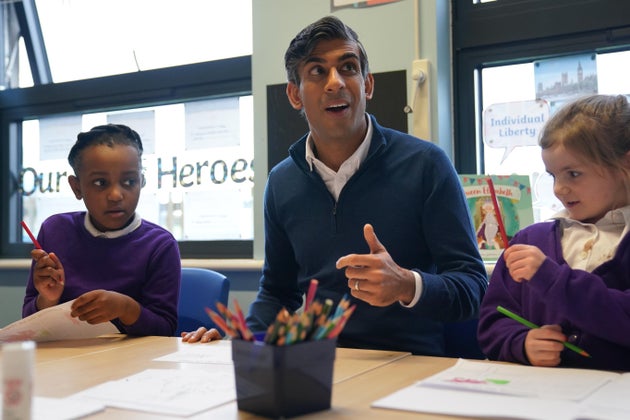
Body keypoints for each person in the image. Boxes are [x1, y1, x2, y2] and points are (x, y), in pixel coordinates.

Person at [183, 15, 487, 355]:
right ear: (294, 95)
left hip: (410, 365)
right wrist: (239, 342)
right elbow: (277, 293)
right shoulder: (282, 182)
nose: (335, 82)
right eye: (317, 71)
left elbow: (474, 286)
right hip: (318, 364)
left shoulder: (427, 165)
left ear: (367, 85)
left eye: (348, 67)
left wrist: (407, 284)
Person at [478, 94, 630, 371]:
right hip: (541, 399)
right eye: (552, 175)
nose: (559, 189)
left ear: (625, 166)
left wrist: (551, 279)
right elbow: (494, 321)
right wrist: (521, 344)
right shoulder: (530, 240)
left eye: (573, 174)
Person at [23, 123, 181, 336]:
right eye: (100, 182)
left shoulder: (159, 245)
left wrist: (125, 308)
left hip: (130, 363)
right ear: (76, 187)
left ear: (142, 181)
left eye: (129, 181)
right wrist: (48, 299)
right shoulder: (55, 231)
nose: (116, 195)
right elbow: (29, 319)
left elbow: (165, 330)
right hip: (64, 360)